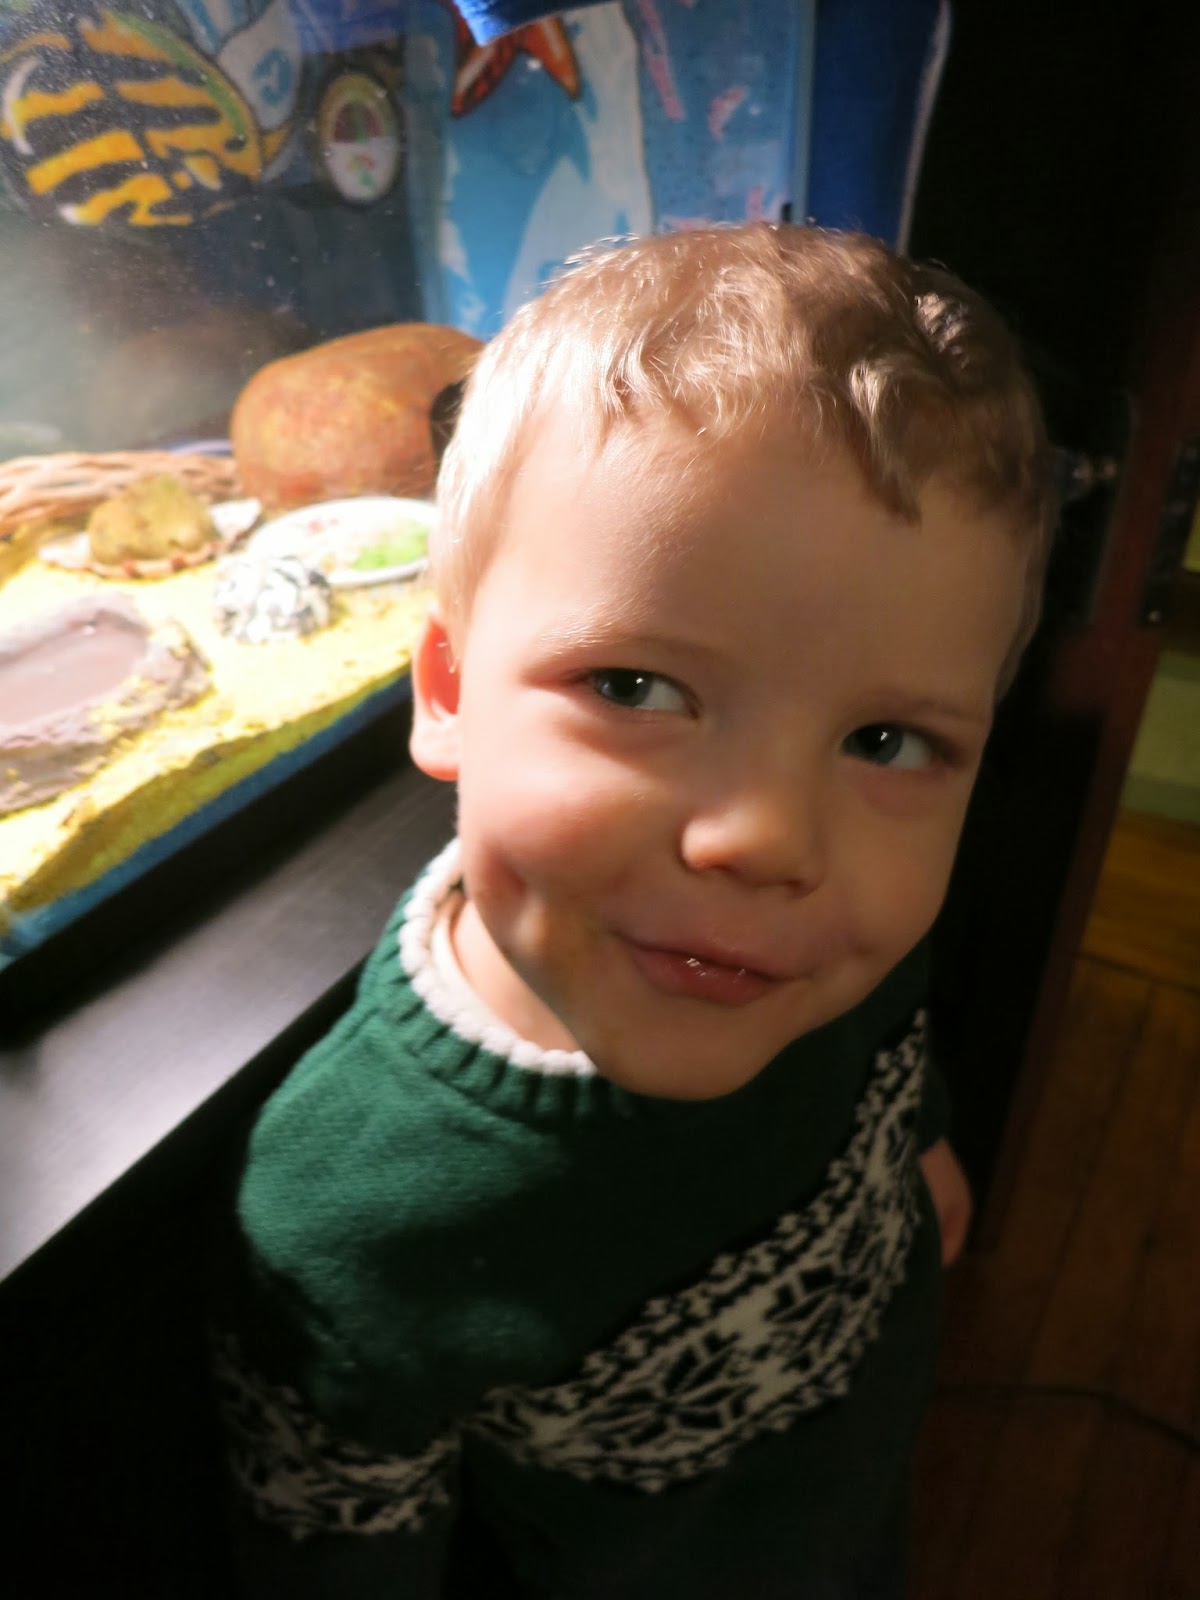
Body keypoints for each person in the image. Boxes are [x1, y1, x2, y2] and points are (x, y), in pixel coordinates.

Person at [210, 223, 1054, 1599]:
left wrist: (923, 1139)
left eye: (887, 742)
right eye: (635, 689)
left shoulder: (819, 947)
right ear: (449, 690)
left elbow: (891, 1027)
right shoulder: (344, 1221)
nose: (771, 844)